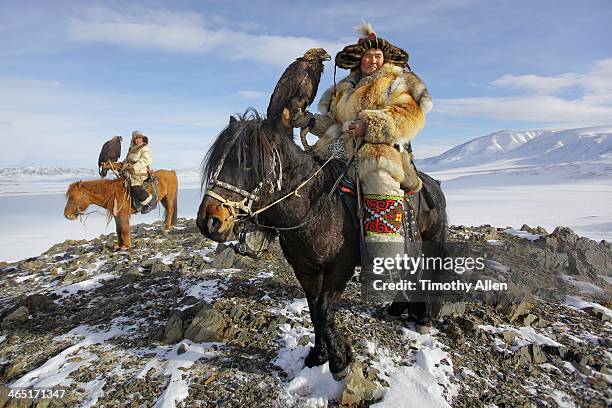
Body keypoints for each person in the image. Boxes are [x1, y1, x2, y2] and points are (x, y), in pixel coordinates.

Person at [292, 23, 433, 329]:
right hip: (340, 149)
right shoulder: (344, 89)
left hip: (379, 150)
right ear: (358, 60)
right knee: (303, 176)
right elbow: (332, 123)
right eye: (367, 57)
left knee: (378, 181)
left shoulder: (396, 82)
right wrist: (308, 119)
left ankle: (385, 268)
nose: (372, 61)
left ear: (385, 59)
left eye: (377, 56)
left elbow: (410, 116)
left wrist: (369, 125)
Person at [122, 130, 156, 214]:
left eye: (140, 138)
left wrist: (134, 167)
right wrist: (121, 165)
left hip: (140, 172)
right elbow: (127, 160)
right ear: (133, 140)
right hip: (130, 172)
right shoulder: (132, 149)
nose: (138, 140)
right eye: (136, 139)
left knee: (134, 185)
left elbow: (146, 160)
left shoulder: (145, 148)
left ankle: (149, 203)